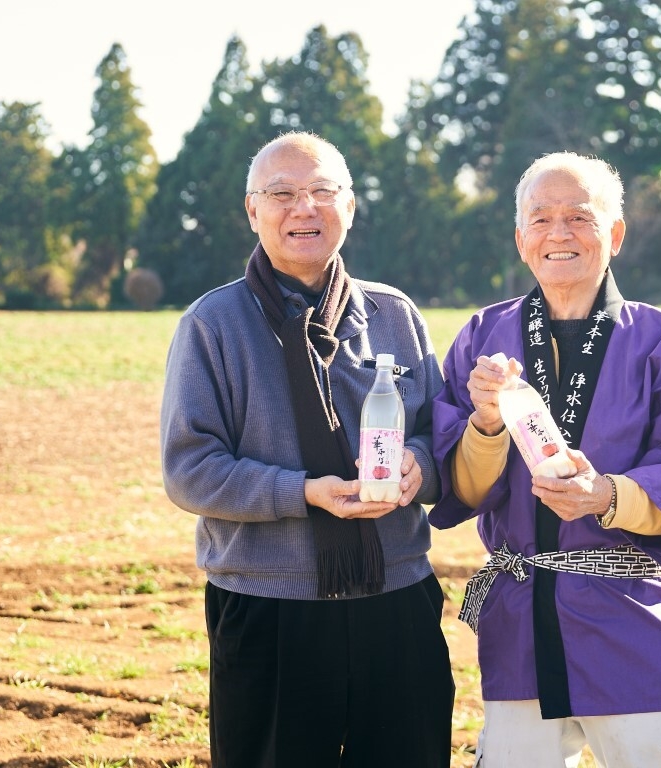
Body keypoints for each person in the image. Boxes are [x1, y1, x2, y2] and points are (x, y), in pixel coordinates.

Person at [160, 131, 454, 768]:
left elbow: (441, 438)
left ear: (349, 205)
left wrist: (420, 469)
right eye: (283, 194)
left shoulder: (394, 315)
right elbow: (190, 469)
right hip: (269, 607)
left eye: (323, 191)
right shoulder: (214, 324)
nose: (305, 208)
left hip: (395, 598)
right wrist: (302, 493)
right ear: (252, 210)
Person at [429, 151, 661, 768]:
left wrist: (608, 496)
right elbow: (459, 487)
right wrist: (485, 424)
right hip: (519, 619)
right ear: (521, 239)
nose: (558, 233)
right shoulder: (483, 336)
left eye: (579, 217)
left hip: (627, 616)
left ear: (615, 234)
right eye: (541, 219)